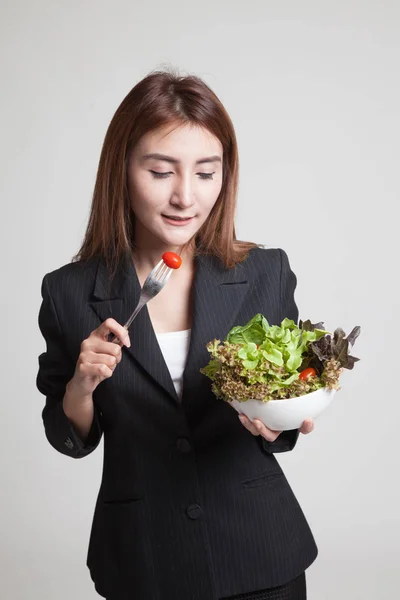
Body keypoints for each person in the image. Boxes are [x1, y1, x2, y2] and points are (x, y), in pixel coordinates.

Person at [36, 69, 317, 600]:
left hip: (259, 552)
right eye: (161, 171)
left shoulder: (265, 273)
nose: (185, 196)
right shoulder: (69, 292)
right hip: (144, 558)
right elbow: (68, 436)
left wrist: (277, 423)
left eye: (206, 173)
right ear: (122, 170)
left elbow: (284, 409)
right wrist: (80, 385)